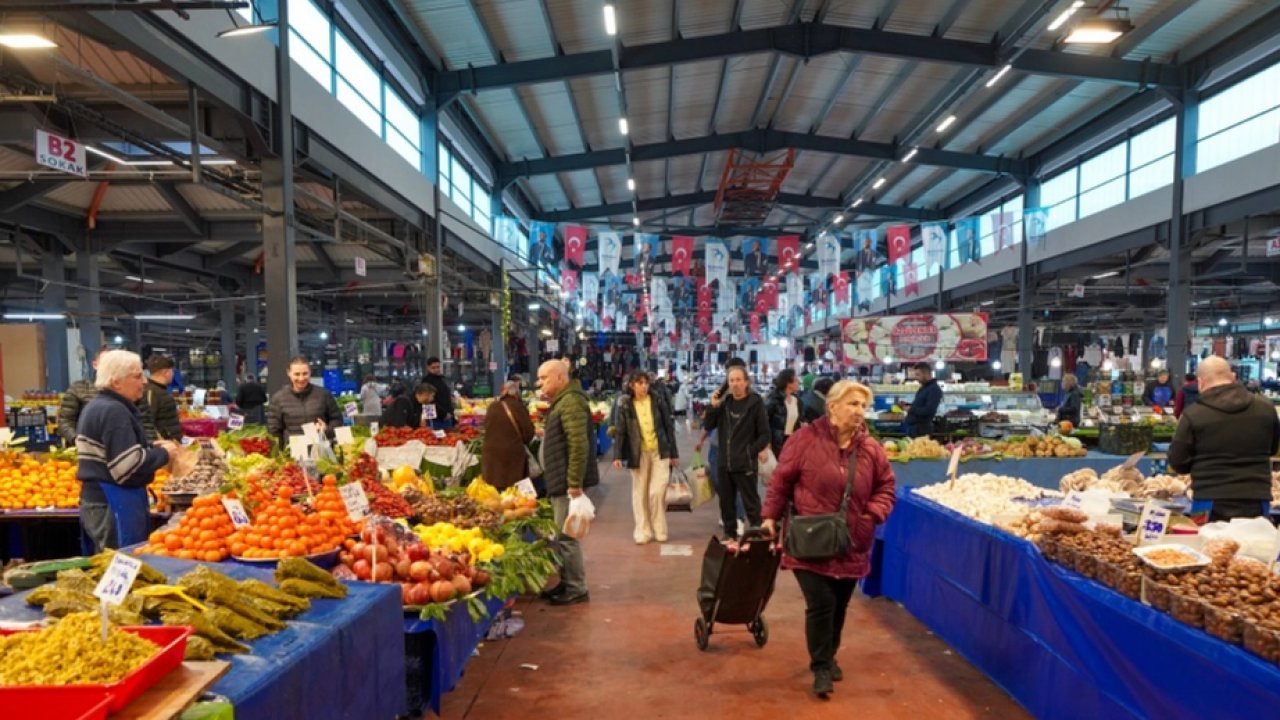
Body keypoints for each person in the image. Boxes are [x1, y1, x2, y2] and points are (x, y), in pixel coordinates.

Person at [761, 380, 897, 698]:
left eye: (863, 406)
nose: (859, 411)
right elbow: (781, 481)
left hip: (852, 541)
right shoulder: (804, 440)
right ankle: (821, 666)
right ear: (832, 406)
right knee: (821, 603)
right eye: (852, 404)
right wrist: (769, 517)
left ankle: (829, 654)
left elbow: (886, 487)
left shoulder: (871, 449)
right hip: (810, 538)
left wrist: (871, 517)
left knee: (839, 604)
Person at [76, 350, 177, 552]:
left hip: (98, 499)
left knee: (105, 564)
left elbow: (112, 451)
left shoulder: (97, 406)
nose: (144, 382)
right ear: (116, 383)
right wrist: (165, 454)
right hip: (113, 504)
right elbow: (126, 466)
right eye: (137, 376)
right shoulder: (114, 411)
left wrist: (147, 446)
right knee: (120, 565)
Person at [1169, 357, 1280, 522]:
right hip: (1256, 498)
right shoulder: (1266, 409)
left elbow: (1178, 462)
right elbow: (1273, 449)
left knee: (1208, 545)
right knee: (1257, 545)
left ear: (1200, 382)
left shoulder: (1193, 415)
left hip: (1208, 500)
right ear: (1233, 377)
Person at [537, 359, 597, 605]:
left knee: (566, 538)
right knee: (561, 536)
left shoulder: (571, 402)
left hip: (565, 481)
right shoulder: (563, 401)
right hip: (559, 478)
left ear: (560, 378)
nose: (540, 383)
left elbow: (578, 445)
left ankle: (576, 588)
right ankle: (566, 582)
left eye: (545, 378)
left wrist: (574, 483)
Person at [704, 365, 770, 541]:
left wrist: (750, 452)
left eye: (738, 380)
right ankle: (729, 534)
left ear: (746, 381)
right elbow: (708, 426)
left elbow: (764, 434)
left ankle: (756, 533)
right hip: (725, 463)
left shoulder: (755, 403)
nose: (735, 384)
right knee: (727, 503)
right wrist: (713, 406)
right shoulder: (724, 405)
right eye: (731, 380)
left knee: (751, 503)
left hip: (745, 463)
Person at [612, 371, 679, 545]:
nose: (643, 386)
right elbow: (621, 431)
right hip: (638, 453)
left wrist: (674, 453)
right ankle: (643, 530)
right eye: (639, 383)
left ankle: (660, 528)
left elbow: (668, 426)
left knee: (656, 492)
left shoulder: (657, 400)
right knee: (640, 493)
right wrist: (617, 455)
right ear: (632, 385)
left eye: (645, 383)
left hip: (660, 451)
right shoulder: (626, 405)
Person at [266, 357, 343, 445]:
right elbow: (274, 431)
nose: (301, 378)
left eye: (305, 373)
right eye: (297, 374)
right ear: (289, 373)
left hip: (321, 451)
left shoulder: (324, 395)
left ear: (310, 373)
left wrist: (327, 430)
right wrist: (279, 454)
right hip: (292, 452)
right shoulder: (278, 398)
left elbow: (338, 421)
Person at [482, 380, 535, 490]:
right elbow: (528, 433)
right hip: (512, 456)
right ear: (516, 394)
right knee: (513, 492)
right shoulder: (518, 407)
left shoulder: (492, 406)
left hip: (491, 456)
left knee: (494, 492)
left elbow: (485, 427)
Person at [57, 347, 106, 446]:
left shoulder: (126, 390)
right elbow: (65, 421)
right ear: (95, 365)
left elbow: (143, 420)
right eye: (106, 362)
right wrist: (76, 440)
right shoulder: (78, 388)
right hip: (86, 449)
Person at [139, 354, 182, 442]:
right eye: (171, 371)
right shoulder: (151, 392)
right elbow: (148, 422)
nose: (173, 373)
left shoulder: (159, 391)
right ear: (165, 373)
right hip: (164, 447)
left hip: (170, 446)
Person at [765, 369, 803, 459]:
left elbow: (798, 420)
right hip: (776, 442)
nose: (798, 382)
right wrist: (766, 442)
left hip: (792, 441)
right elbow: (764, 421)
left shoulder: (796, 400)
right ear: (788, 383)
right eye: (796, 380)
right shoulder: (773, 400)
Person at [903, 362, 943, 438]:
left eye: (918, 375)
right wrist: (909, 405)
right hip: (913, 429)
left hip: (921, 430)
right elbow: (920, 405)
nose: (916, 377)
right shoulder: (924, 388)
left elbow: (929, 410)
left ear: (926, 374)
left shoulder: (934, 390)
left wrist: (911, 409)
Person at [422, 357, 455, 427]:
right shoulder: (426, 381)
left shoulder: (441, 379)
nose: (436, 369)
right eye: (433, 368)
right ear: (428, 368)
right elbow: (428, 401)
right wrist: (443, 414)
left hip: (447, 416)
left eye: (438, 367)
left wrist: (451, 414)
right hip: (436, 419)